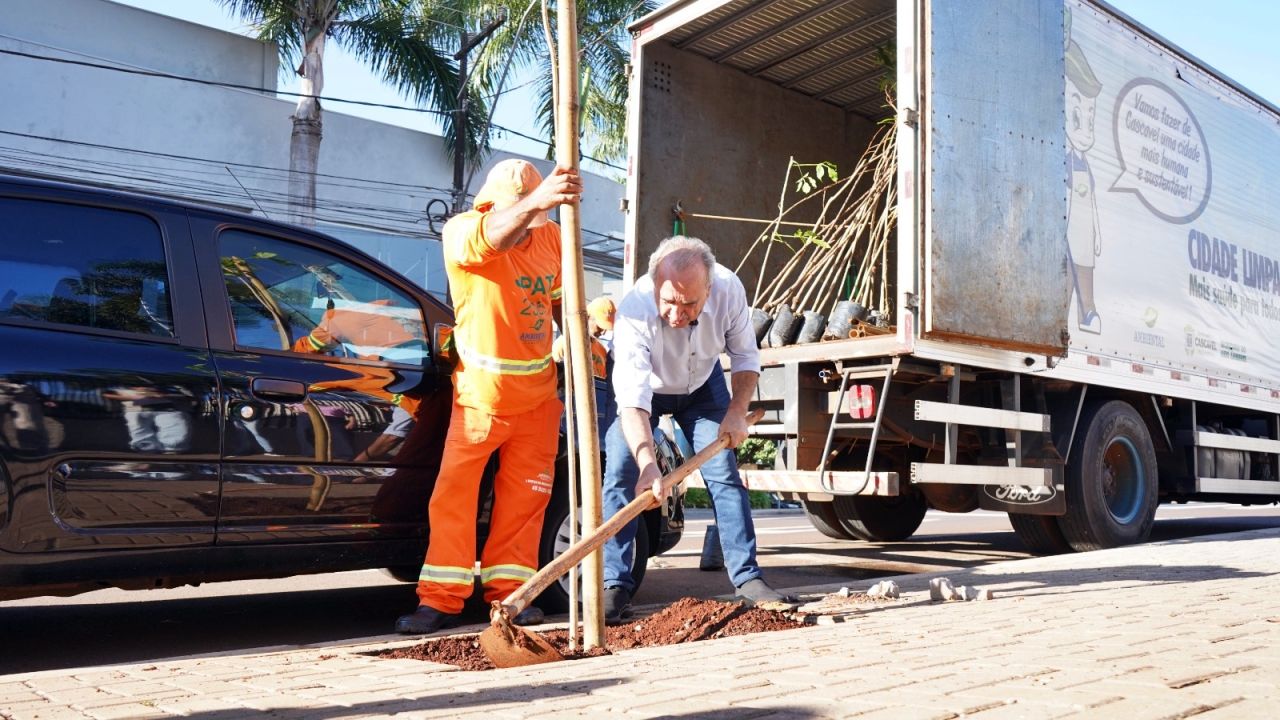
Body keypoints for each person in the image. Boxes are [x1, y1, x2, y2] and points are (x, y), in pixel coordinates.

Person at [395, 158, 582, 634]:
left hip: (538, 401)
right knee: (452, 499)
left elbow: (559, 301)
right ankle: (440, 600)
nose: (529, 231)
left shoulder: (552, 239)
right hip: (480, 399)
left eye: (535, 221)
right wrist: (538, 203)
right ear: (493, 207)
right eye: (524, 216)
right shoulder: (464, 231)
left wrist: (580, 338)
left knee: (525, 505)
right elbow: (493, 238)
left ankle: (511, 598)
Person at [601, 235, 792, 621]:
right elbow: (633, 401)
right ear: (655, 284)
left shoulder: (728, 288)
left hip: (703, 386)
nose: (677, 313)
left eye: (690, 304)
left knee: (723, 474)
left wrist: (737, 411)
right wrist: (648, 464)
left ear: (709, 288)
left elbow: (744, 355)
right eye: (669, 301)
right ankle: (615, 584)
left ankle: (748, 578)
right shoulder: (635, 310)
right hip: (647, 390)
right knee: (622, 471)